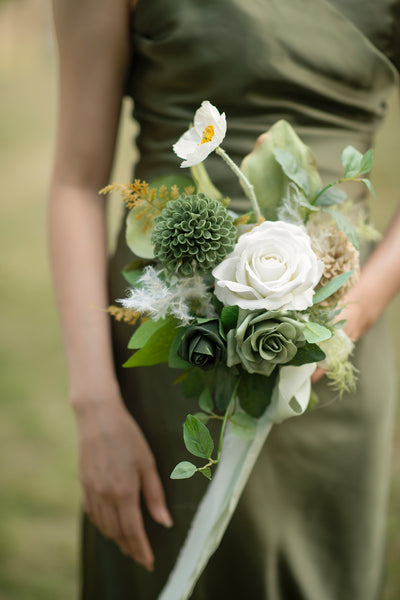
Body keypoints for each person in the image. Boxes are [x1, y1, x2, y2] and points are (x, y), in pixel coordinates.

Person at [49, 0, 400, 598]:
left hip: (334, 349)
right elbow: (77, 184)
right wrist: (96, 407)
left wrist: (352, 312)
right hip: (175, 339)